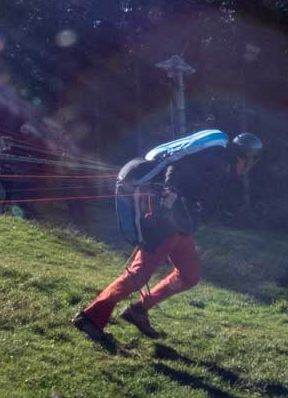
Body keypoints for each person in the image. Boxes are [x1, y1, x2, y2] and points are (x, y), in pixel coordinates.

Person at [72, 131, 263, 341]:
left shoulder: (224, 167)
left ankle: (138, 310)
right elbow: (177, 166)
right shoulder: (215, 159)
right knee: (138, 275)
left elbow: (202, 194)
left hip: (181, 224)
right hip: (164, 221)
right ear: (244, 157)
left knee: (189, 276)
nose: (249, 167)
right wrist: (171, 190)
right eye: (251, 161)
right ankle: (90, 317)